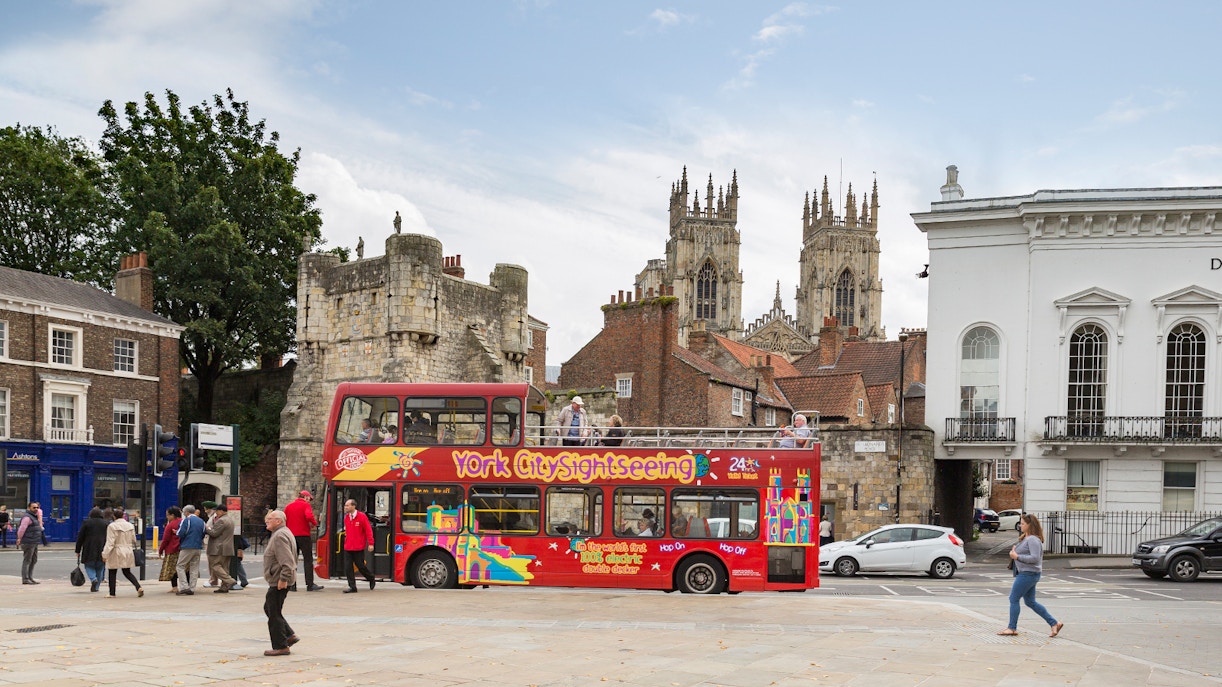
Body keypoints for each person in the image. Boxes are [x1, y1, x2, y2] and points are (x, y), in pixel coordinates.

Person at [998, 513, 1063, 638]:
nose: (1020, 526)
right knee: (1030, 602)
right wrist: (1014, 552)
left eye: (1023, 524)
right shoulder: (1027, 538)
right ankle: (1054, 623)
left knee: (1013, 598)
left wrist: (1016, 556)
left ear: (1030, 525)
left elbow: (1035, 558)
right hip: (1029, 573)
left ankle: (1012, 628)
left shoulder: (1033, 539)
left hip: (1028, 574)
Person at [261, 509, 300, 656]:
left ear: (279, 521)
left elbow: (287, 561)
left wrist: (283, 578)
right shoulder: (283, 532)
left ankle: (281, 646)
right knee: (270, 608)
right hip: (278, 578)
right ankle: (289, 635)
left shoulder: (279, 536)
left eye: (270, 519)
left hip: (279, 579)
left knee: (274, 613)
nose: (267, 521)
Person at [284, 490, 324, 592]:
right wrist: (314, 523)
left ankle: (292, 584)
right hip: (304, 535)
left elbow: (284, 519)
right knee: (308, 560)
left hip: (291, 536)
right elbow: (309, 516)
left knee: (292, 560)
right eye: (309, 499)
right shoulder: (305, 505)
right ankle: (309, 584)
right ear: (305, 497)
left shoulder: (288, 506)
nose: (309, 501)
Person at [102, 508, 143, 598]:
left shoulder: (112, 526)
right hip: (127, 549)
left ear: (114, 516)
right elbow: (134, 540)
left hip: (116, 550)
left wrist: (104, 554)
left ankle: (112, 593)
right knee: (127, 571)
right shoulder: (130, 525)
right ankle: (138, 587)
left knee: (112, 571)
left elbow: (110, 542)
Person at [341, 499, 376, 593]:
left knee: (360, 566)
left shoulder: (362, 517)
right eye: (345, 505)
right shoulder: (346, 518)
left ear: (353, 506)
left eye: (347, 505)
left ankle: (371, 577)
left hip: (358, 546)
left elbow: (368, 530)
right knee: (348, 567)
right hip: (348, 546)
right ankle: (352, 586)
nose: (346, 507)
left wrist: (371, 543)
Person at [75, 507, 109, 593]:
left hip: (89, 547)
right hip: (102, 546)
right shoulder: (106, 523)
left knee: (89, 565)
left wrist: (78, 550)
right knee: (100, 567)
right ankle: (96, 587)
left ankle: (93, 579)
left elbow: (81, 537)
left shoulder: (87, 523)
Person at [205, 503, 237, 593]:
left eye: (217, 511)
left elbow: (214, 533)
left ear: (222, 511)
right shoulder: (230, 519)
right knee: (224, 567)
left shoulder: (221, 520)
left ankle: (230, 580)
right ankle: (224, 587)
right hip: (227, 547)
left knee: (215, 565)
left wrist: (207, 528)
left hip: (218, 548)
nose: (216, 513)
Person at [175, 505, 206, 595]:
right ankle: (192, 588)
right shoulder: (201, 521)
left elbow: (180, 533)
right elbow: (204, 532)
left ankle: (184, 586)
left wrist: (177, 533)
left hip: (187, 546)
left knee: (180, 566)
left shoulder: (186, 520)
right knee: (194, 567)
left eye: (184, 512)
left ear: (187, 512)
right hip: (198, 546)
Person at [158, 506, 183, 593]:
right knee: (184, 568)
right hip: (182, 549)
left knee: (172, 569)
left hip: (172, 549)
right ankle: (186, 585)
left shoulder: (170, 525)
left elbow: (165, 539)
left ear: (173, 515)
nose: (167, 517)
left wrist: (160, 550)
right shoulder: (184, 522)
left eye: (168, 515)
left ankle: (174, 587)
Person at [17, 502, 43, 584]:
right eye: (34, 507)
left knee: (34, 560)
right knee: (27, 560)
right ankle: (25, 579)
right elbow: (22, 529)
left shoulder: (34, 517)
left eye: (37, 507)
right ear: (29, 508)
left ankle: (30, 577)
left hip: (34, 541)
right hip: (28, 542)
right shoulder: (27, 517)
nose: (36, 509)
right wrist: (19, 538)